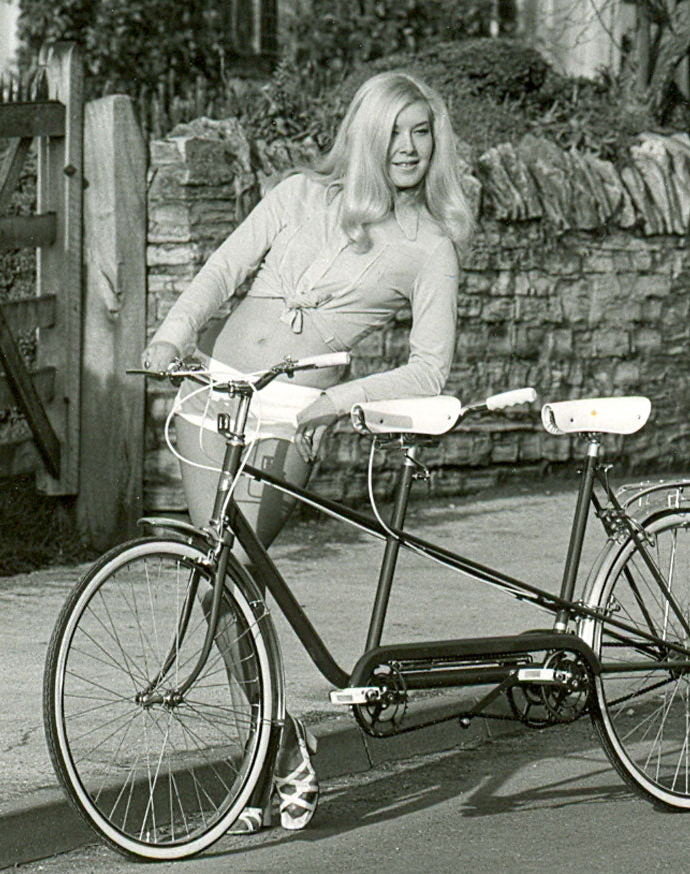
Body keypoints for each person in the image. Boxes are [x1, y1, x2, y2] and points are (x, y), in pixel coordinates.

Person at [141, 69, 474, 833]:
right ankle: (274, 746)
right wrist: (172, 333)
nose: (411, 147)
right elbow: (224, 268)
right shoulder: (298, 195)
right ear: (365, 133)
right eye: (395, 130)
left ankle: (269, 750)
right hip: (214, 394)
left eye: (423, 131)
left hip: (296, 410)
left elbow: (429, 370)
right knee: (218, 573)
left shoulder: (431, 248)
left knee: (243, 565)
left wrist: (334, 401)